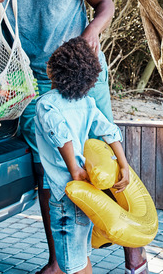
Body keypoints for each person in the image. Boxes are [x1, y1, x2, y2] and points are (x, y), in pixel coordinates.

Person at [0, 0, 148, 274]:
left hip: (82, 71)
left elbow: (105, 4)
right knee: (49, 167)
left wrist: (88, 38)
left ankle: (134, 255)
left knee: (103, 154)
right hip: (32, 77)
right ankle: (59, 260)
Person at [35, 36, 130, 274]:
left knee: (73, 264)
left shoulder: (47, 104)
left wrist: (74, 169)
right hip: (88, 191)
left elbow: (61, 134)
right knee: (81, 255)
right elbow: (109, 131)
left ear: (50, 70)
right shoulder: (87, 103)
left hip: (67, 194)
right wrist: (124, 165)